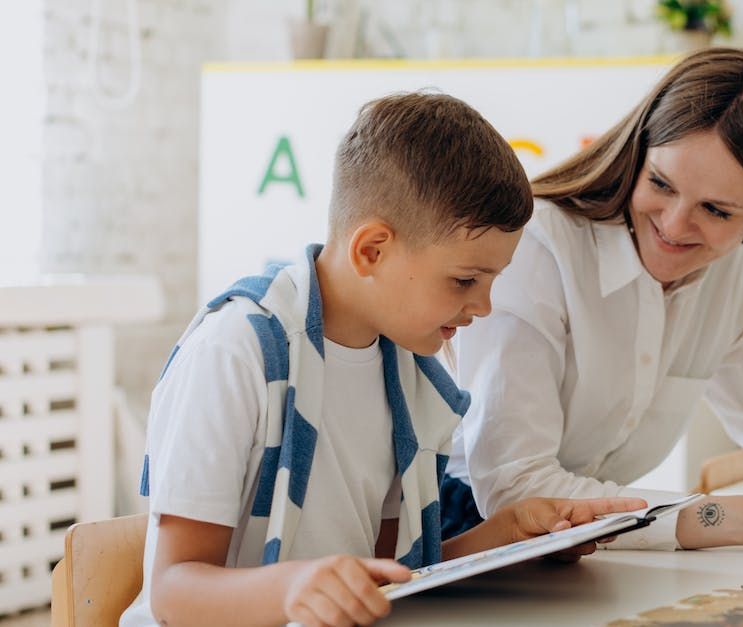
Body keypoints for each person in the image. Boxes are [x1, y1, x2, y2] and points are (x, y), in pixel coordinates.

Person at [121, 93, 645, 627]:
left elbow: (389, 579)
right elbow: (174, 592)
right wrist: (292, 588)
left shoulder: (408, 374)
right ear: (371, 249)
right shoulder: (237, 350)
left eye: (492, 282)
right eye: (465, 280)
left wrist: (507, 537)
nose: (483, 306)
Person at [443, 47, 743, 554]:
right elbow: (514, 488)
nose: (673, 225)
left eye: (716, 210)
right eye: (660, 183)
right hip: (470, 533)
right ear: (637, 155)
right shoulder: (539, 247)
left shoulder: (738, 282)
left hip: (592, 549)